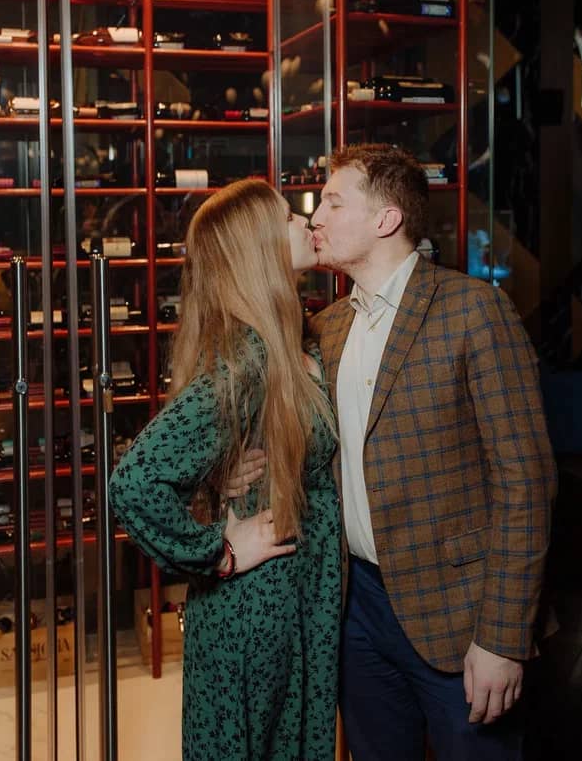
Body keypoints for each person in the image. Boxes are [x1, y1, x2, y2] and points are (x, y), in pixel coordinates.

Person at [231, 143, 557, 760]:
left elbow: (526, 484)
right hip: (355, 608)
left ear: (386, 219)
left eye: (333, 202)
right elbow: (309, 448)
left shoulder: (474, 311)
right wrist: (237, 476)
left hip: (459, 613)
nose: (316, 216)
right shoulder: (327, 327)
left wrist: (503, 637)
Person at [109, 178, 341, 761]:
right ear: (259, 248)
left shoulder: (294, 342)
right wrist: (220, 551)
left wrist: (219, 476)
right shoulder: (249, 358)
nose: (304, 221)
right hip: (256, 609)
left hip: (297, 601)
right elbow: (134, 484)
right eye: (287, 217)